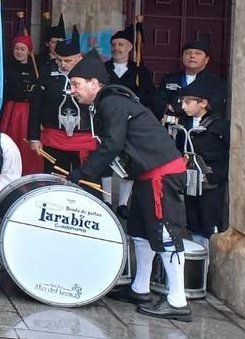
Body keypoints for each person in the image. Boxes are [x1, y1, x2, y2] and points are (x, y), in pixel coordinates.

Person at [64, 54, 193, 322]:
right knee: (140, 232)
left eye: (76, 84)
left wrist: (82, 174)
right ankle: (140, 289)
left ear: (94, 83)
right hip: (146, 174)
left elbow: (111, 145)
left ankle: (177, 301)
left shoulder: (112, 103)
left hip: (161, 173)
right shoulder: (108, 103)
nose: (72, 90)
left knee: (165, 233)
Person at [171, 78, 229, 248]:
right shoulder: (183, 124)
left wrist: (217, 176)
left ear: (203, 103)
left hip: (211, 183)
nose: (183, 106)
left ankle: (211, 266)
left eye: (188, 102)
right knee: (193, 222)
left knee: (210, 223)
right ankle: (199, 263)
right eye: (182, 101)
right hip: (190, 181)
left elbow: (232, 155)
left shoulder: (220, 126)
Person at [28, 39, 94, 175]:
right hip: (54, 138)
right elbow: (36, 106)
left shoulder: (91, 75)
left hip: (84, 140)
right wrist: (34, 137)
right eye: (59, 60)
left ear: (79, 58)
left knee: (85, 183)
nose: (63, 64)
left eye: (68, 61)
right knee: (55, 180)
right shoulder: (47, 72)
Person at [0, 33, 43, 176]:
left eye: (22, 49)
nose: (19, 52)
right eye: (16, 48)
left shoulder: (36, 69)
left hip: (30, 112)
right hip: (12, 111)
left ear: (29, 51)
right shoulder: (7, 68)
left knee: (27, 146)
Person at [153, 41, 228, 120]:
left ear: (206, 59)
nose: (192, 56)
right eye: (187, 53)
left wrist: (176, 106)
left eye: (197, 53)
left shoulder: (217, 83)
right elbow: (158, 103)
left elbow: (213, 107)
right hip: (174, 127)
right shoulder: (169, 79)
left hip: (203, 128)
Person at [105, 25, 157, 104]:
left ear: (129, 48)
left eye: (120, 44)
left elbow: (152, 97)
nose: (116, 48)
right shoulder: (103, 68)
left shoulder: (140, 70)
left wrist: (134, 98)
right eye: (113, 45)